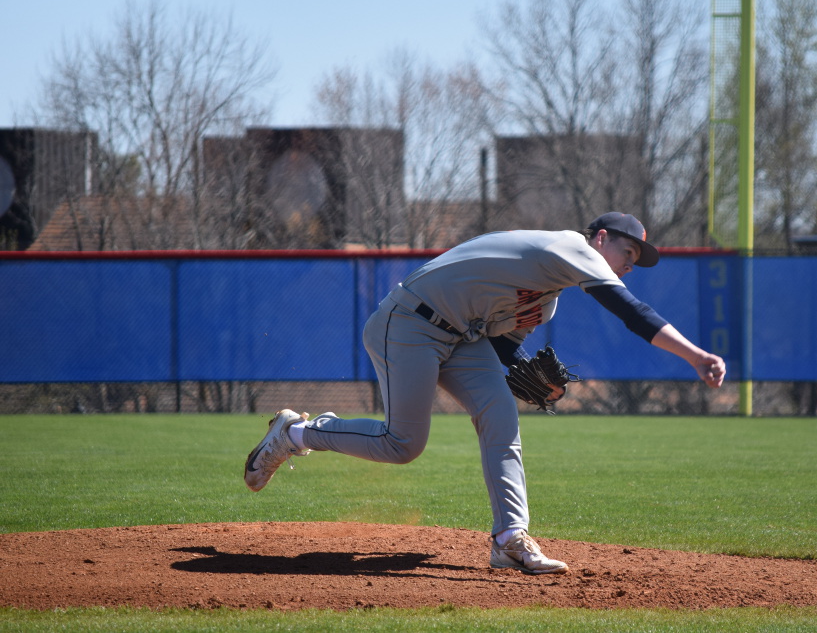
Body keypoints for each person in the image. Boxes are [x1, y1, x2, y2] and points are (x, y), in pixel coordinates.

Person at [244, 212, 726, 574]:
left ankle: (510, 539)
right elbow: (630, 310)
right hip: (409, 321)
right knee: (403, 444)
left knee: (501, 415)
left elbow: (500, 350)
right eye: (628, 253)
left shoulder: (547, 303)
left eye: (636, 261)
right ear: (600, 239)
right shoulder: (570, 246)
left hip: (459, 338)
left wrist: (526, 374)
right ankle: (298, 433)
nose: (629, 266)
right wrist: (695, 355)